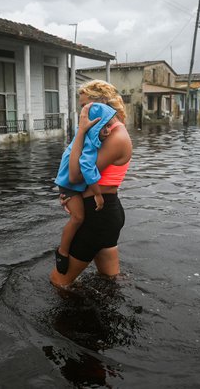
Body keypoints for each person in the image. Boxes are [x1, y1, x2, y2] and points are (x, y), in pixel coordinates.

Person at [50, 80, 132, 287]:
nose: (82, 113)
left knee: (59, 282)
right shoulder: (103, 133)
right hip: (102, 213)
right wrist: (72, 196)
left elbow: (76, 175)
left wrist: (79, 132)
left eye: (85, 106)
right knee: (110, 281)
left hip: (99, 217)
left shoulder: (116, 136)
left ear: (101, 104)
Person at [53, 102, 118, 275]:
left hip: (71, 185)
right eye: (103, 127)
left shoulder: (86, 137)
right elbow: (87, 169)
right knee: (78, 218)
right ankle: (62, 252)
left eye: (109, 126)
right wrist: (97, 194)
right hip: (70, 186)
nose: (108, 131)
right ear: (93, 127)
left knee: (78, 218)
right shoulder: (89, 144)